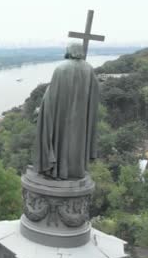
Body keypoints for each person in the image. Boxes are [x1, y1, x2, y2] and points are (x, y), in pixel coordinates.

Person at [34, 43, 99, 180]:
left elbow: (52, 95)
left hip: (61, 115)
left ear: (69, 51)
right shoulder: (89, 69)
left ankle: (58, 170)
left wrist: (42, 105)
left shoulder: (61, 68)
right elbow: (94, 96)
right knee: (77, 141)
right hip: (81, 117)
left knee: (61, 139)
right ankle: (76, 170)